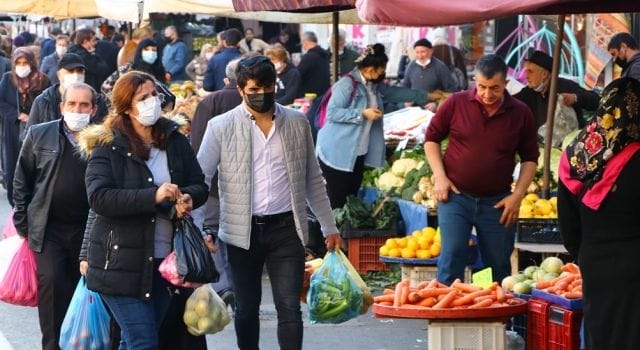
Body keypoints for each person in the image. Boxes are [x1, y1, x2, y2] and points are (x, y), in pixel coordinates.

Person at [194, 55, 341, 350]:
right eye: (253, 89)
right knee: (247, 308)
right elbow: (200, 180)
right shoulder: (221, 127)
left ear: (276, 85)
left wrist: (329, 226)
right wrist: (200, 230)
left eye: (267, 87)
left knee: (289, 307)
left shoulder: (297, 123)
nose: (261, 94)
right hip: (240, 232)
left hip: (287, 228)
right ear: (240, 90)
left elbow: (313, 179)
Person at [78, 71, 210, 349]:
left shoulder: (174, 139)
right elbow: (100, 198)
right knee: (143, 341)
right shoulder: (107, 144)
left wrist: (187, 197)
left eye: (154, 95)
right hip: (119, 263)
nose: (152, 101)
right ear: (126, 107)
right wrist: (153, 195)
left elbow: (199, 183)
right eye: (143, 97)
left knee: (137, 340)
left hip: (165, 262)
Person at [424, 54, 539, 285]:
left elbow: (530, 159)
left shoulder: (520, 112)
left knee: (497, 265)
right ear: (474, 81)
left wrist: (518, 195)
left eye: (494, 88)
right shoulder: (456, 103)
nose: (487, 94)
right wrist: (439, 176)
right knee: (452, 257)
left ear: (506, 84)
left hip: (497, 202)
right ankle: (446, 316)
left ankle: (488, 314)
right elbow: (431, 139)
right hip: (456, 197)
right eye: (482, 87)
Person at [12, 82, 98, 350]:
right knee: (52, 287)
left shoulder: (103, 140)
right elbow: (21, 179)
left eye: (84, 105)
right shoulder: (40, 134)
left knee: (84, 293)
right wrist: (24, 222)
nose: (78, 109)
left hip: (89, 232)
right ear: (62, 107)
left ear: (94, 109)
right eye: (72, 104)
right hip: (48, 231)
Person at [557, 77, 640, 350]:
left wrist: (582, 252)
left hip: (594, 260)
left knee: (598, 332)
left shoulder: (576, 155)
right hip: (633, 263)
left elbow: (568, 224)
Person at [316, 44, 430, 209]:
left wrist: (427, 96)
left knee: (352, 198)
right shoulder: (346, 84)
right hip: (336, 152)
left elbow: (395, 93)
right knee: (337, 201)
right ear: (370, 69)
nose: (382, 74)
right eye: (381, 70)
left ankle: (346, 233)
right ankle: (333, 234)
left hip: (358, 153)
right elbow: (332, 113)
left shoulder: (372, 86)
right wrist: (362, 113)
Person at [0, 48, 50, 206]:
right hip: (13, 129)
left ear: (32, 63)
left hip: (36, 130)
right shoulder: (8, 79)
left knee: (33, 164)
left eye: (25, 62)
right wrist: (17, 114)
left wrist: (33, 116)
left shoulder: (42, 80)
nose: (22, 66)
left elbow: (47, 104)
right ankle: (15, 203)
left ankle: (33, 201)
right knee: (12, 164)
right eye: (18, 63)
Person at [514, 50, 599, 128]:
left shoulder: (565, 86)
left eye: (530, 71)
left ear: (544, 74)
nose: (526, 76)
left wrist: (574, 98)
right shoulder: (529, 91)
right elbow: (512, 100)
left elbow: (595, 100)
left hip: (572, 141)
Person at [28, 53, 109, 130]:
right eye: (70, 71)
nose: (76, 75)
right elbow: (30, 135)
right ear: (59, 75)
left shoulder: (97, 101)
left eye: (80, 71)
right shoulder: (44, 100)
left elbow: (104, 132)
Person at [401, 38, 459, 110]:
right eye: (417, 52)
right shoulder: (411, 66)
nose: (420, 56)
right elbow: (405, 87)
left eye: (423, 52)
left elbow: (452, 92)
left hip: (434, 111)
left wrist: (436, 104)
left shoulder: (440, 67)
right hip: (414, 110)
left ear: (431, 51)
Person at [101, 38, 168, 100]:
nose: (151, 53)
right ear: (140, 51)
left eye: (154, 50)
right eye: (146, 49)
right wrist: (121, 103)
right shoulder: (128, 68)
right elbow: (105, 87)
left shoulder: (159, 70)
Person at [296, 31, 331, 98]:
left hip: (310, 96)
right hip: (323, 94)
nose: (302, 45)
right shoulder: (325, 55)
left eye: (302, 43)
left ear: (305, 41)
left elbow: (297, 74)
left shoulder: (309, 57)